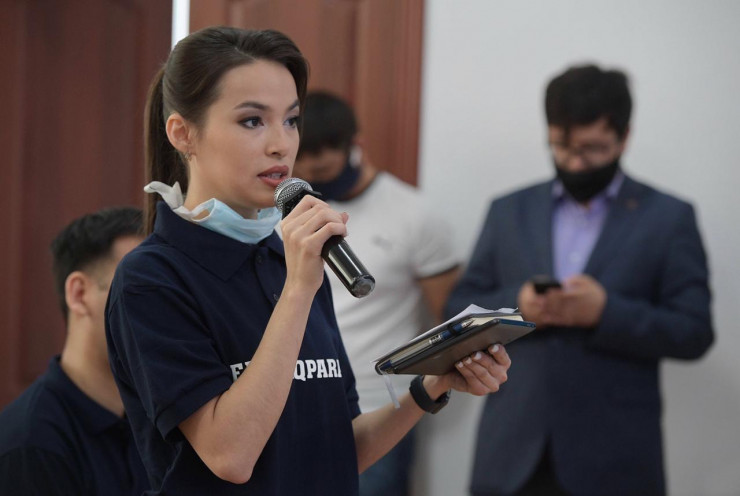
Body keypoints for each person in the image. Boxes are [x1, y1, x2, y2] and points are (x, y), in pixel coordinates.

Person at [104, 26, 511, 496]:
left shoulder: (290, 260)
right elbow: (230, 455)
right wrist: (298, 290)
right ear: (183, 134)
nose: (281, 144)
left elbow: (341, 450)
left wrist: (432, 386)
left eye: (292, 120)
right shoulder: (151, 279)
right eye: (252, 121)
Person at [447, 63, 714, 496]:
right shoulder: (508, 211)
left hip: (616, 459)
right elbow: (456, 309)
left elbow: (694, 331)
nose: (575, 162)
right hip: (511, 453)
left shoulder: (669, 218)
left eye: (592, 149)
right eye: (561, 146)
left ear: (624, 137)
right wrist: (518, 306)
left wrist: (605, 313)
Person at [292, 91, 461, 496]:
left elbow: (451, 317)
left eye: (325, 156)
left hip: (380, 406)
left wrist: (433, 385)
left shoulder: (414, 214)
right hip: (295, 401)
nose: (313, 166)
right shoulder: (289, 215)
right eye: (304, 156)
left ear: (355, 144)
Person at [0, 207, 148, 495]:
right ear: (79, 294)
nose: (164, 313)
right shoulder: (30, 446)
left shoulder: (164, 422)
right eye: (142, 289)